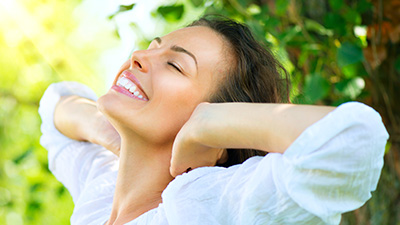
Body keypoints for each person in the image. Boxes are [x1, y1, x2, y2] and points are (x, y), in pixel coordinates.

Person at [39, 16, 389, 225]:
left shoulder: (206, 203)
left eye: (175, 65)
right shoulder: (101, 193)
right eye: (152, 46)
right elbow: (57, 108)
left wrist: (208, 123)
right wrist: (108, 130)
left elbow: (355, 142)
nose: (140, 57)